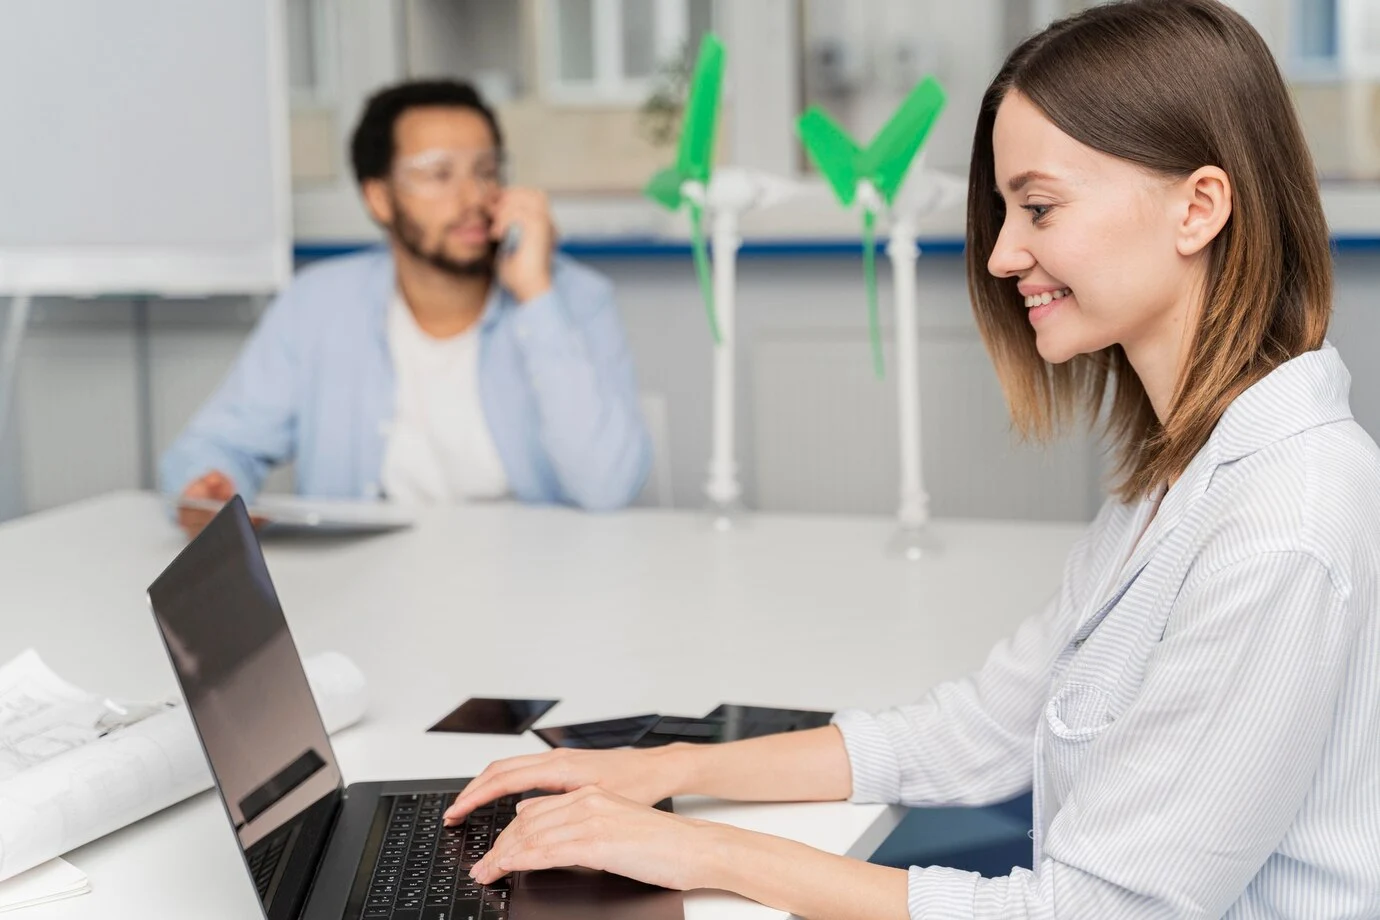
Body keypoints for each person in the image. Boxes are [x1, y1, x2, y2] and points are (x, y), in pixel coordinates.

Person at [439, 1, 1380, 916]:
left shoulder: (1280, 527)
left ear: (1198, 208)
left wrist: (702, 850)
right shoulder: (1187, 474)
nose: (1005, 254)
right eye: (1005, 211)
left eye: (1039, 207)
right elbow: (981, 728)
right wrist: (667, 770)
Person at [161, 80, 652, 535]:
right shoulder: (318, 305)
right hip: (365, 593)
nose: (474, 198)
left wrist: (536, 296)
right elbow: (213, 447)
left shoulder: (572, 298)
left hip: (535, 589)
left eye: (486, 171)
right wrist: (208, 490)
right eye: (439, 174)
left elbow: (606, 486)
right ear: (379, 198)